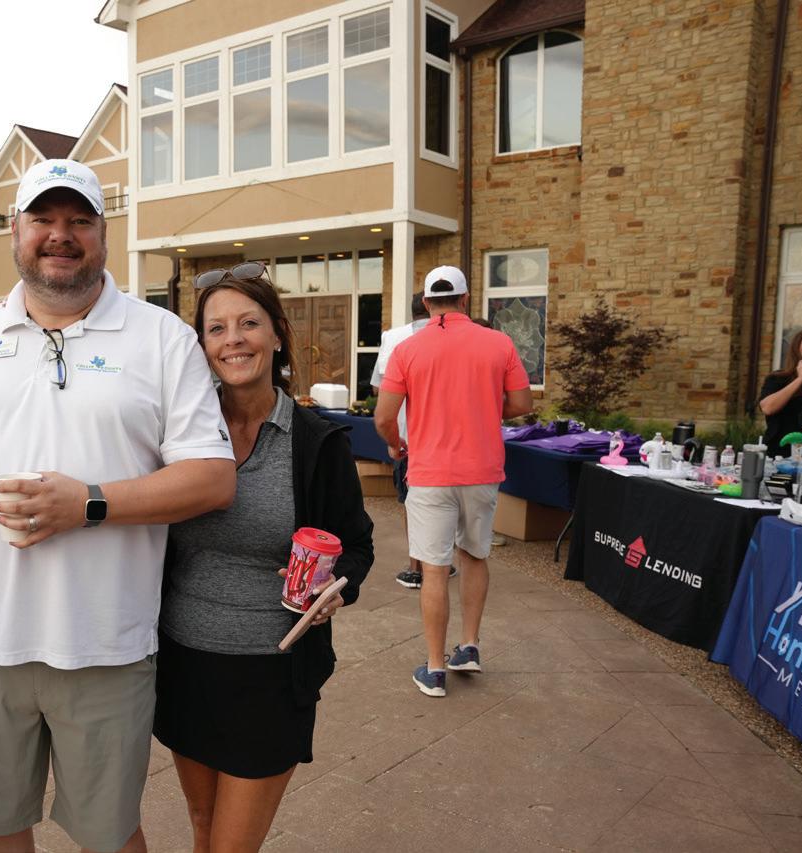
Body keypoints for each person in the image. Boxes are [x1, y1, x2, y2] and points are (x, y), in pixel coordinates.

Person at [0, 158, 237, 853]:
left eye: (80, 220)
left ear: (104, 235)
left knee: (109, 835)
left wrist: (87, 503)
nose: (61, 235)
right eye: (44, 219)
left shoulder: (160, 337)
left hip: (106, 643)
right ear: (15, 232)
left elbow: (211, 477)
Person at [155, 265, 373, 852]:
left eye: (249, 323)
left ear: (277, 334)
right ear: (202, 345)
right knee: (202, 826)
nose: (234, 340)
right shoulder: (181, 432)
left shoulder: (316, 442)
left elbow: (357, 544)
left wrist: (335, 588)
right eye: (216, 328)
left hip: (271, 673)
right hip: (183, 665)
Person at [374, 266, 533, 697]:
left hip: (429, 473)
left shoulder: (407, 349)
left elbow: (384, 417)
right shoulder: (498, 343)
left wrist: (396, 445)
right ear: (465, 300)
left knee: (434, 569)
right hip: (482, 470)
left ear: (426, 302)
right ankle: (470, 646)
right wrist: (483, 406)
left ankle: (434, 668)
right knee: (475, 556)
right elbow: (522, 402)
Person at [370, 294, 452, 589]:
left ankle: (416, 567)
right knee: (445, 501)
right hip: (446, 436)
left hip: (406, 435)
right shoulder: (453, 338)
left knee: (411, 502)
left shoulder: (393, 338)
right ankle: (441, 562)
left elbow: (379, 389)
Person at [759, 326, 802, 456]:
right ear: (798, 348)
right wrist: (800, 379)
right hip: (778, 453)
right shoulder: (778, 378)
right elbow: (768, 408)